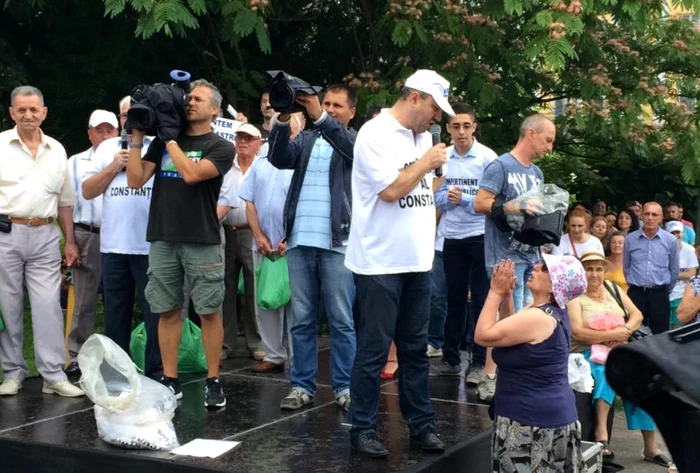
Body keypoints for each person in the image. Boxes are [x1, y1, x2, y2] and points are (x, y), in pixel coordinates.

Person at [346, 69, 452, 457]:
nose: (437, 118)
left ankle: (421, 426)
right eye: (435, 108)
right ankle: (362, 427)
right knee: (374, 350)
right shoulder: (374, 134)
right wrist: (425, 163)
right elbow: (391, 190)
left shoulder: (423, 137)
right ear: (414, 97)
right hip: (379, 262)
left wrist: (428, 167)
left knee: (414, 350)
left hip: (417, 260)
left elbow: (425, 190)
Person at [126, 79, 235, 408]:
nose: (190, 103)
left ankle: (213, 380)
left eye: (199, 99)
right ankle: (170, 380)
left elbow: (190, 173)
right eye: (189, 98)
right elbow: (134, 180)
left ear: (214, 109)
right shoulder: (163, 142)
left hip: (201, 238)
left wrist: (169, 138)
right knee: (167, 312)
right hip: (163, 235)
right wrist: (136, 137)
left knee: (209, 312)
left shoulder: (221, 146)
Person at [268, 84, 357, 412]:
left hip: (337, 244)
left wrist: (318, 115)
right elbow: (277, 158)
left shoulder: (356, 141)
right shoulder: (305, 140)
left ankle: (346, 386)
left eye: (336, 105)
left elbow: (347, 146)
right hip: (299, 242)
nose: (329, 108)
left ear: (351, 112)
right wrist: (282, 117)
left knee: (341, 320)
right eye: (326, 103)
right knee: (302, 320)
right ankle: (301, 386)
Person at [0, 85, 84, 397]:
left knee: (49, 305)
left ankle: (53, 376)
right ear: (12, 113)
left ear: (44, 112)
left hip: (47, 234)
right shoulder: (0, 146)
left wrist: (70, 241)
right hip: (6, 233)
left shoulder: (57, 150)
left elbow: (65, 202)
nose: (28, 115)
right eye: (21, 109)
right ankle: (12, 372)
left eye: (34, 109)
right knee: (8, 305)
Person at [475, 256, 587, 472]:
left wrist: (495, 292)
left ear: (556, 286)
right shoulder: (545, 311)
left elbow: (483, 336)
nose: (536, 266)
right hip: (543, 415)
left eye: (545, 268)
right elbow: (507, 334)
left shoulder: (539, 318)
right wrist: (507, 296)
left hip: (531, 422)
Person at [473, 113, 554, 402]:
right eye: (548, 140)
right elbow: (480, 203)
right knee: (504, 320)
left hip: (530, 253)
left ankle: (508, 375)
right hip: (504, 254)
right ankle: (490, 377)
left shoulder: (537, 173)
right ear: (531, 133)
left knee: (522, 318)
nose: (550, 148)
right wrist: (514, 205)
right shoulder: (501, 165)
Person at [567, 251, 672, 467]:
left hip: (618, 347)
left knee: (644, 380)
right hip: (586, 353)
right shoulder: (575, 297)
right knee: (607, 371)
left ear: (604, 270)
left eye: (598, 269)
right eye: (589, 268)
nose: (594, 274)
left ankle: (650, 447)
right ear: (581, 271)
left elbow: (637, 315)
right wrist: (612, 335)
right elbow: (577, 332)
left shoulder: (613, 289)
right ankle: (601, 433)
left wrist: (625, 329)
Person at [82, 96, 162, 380]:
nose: (131, 121)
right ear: (120, 119)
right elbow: (88, 190)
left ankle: (157, 374)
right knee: (116, 314)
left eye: (137, 115)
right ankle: (118, 374)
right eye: (126, 115)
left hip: (151, 244)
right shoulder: (106, 147)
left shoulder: (159, 145)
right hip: (114, 244)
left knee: (156, 314)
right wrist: (114, 166)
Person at [432, 102, 496, 384]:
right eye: (455, 126)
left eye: (466, 126)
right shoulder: (441, 156)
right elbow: (433, 196)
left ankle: (480, 362)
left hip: (480, 236)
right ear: (448, 128)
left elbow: (492, 202)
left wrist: (466, 200)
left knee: (481, 301)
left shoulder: (487, 158)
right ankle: (450, 359)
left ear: (474, 127)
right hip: (451, 237)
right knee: (453, 299)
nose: (461, 132)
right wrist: (449, 198)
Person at [64, 109, 119, 375]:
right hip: (87, 233)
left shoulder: (130, 158)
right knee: (84, 300)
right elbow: (65, 204)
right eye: (100, 130)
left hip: (120, 235)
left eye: (111, 130)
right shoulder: (75, 162)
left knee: (118, 298)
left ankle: (117, 353)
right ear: (90, 133)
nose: (106, 135)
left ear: (118, 132)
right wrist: (70, 241)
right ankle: (77, 355)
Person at [238, 122, 296, 372]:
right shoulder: (260, 163)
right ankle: (273, 355)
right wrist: (258, 234)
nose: (285, 136)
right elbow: (249, 201)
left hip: (292, 246)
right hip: (261, 244)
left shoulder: (300, 162)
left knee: (297, 305)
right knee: (264, 302)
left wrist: (290, 238)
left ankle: (298, 359)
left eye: (290, 131)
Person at [219, 124, 264, 361]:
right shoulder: (226, 165)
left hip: (251, 231)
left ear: (259, 143)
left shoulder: (263, 166)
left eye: (248, 138)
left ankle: (256, 342)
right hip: (226, 230)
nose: (242, 142)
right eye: (239, 138)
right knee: (224, 289)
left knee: (253, 288)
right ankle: (225, 343)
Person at [624, 202, 679, 334]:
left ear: (661, 218)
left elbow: (674, 270)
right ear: (641, 216)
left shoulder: (670, 240)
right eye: (647, 214)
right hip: (636, 293)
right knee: (633, 334)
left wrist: (664, 290)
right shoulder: (630, 239)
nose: (650, 218)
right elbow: (626, 267)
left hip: (659, 294)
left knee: (660, 336)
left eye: (654, 214)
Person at [665, 220, 698, 329]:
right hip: (664, 295)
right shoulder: (661, 249)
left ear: (682, 233)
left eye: (678, 232)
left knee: (678, 329)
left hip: (682, 296)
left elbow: (692, 273)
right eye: (672, 233)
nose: (675, 235)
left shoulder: (689, 250)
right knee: (663, 330)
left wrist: (669, 274)